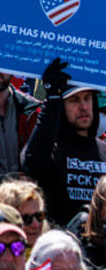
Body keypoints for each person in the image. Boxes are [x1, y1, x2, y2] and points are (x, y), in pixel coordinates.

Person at [22, 59, 106, 225]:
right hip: (61, 243)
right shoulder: (51, 150)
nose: (83, 106)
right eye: (74, 100)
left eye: (87, 98)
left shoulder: (104, 150)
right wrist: (52, 99)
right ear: (61, 107)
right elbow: (32, 161)